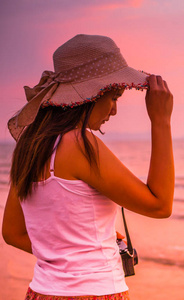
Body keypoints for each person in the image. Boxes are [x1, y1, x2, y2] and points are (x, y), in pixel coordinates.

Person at [2, 34, 174, 299]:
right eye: (114, 97)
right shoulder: (80, 143)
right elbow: (160, 204)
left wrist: (73, 250)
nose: (114, 110)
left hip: (41, 292)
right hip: (94, 293)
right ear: (92, 95)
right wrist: (160, 121)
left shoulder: (30, 144)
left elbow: (12, 233)